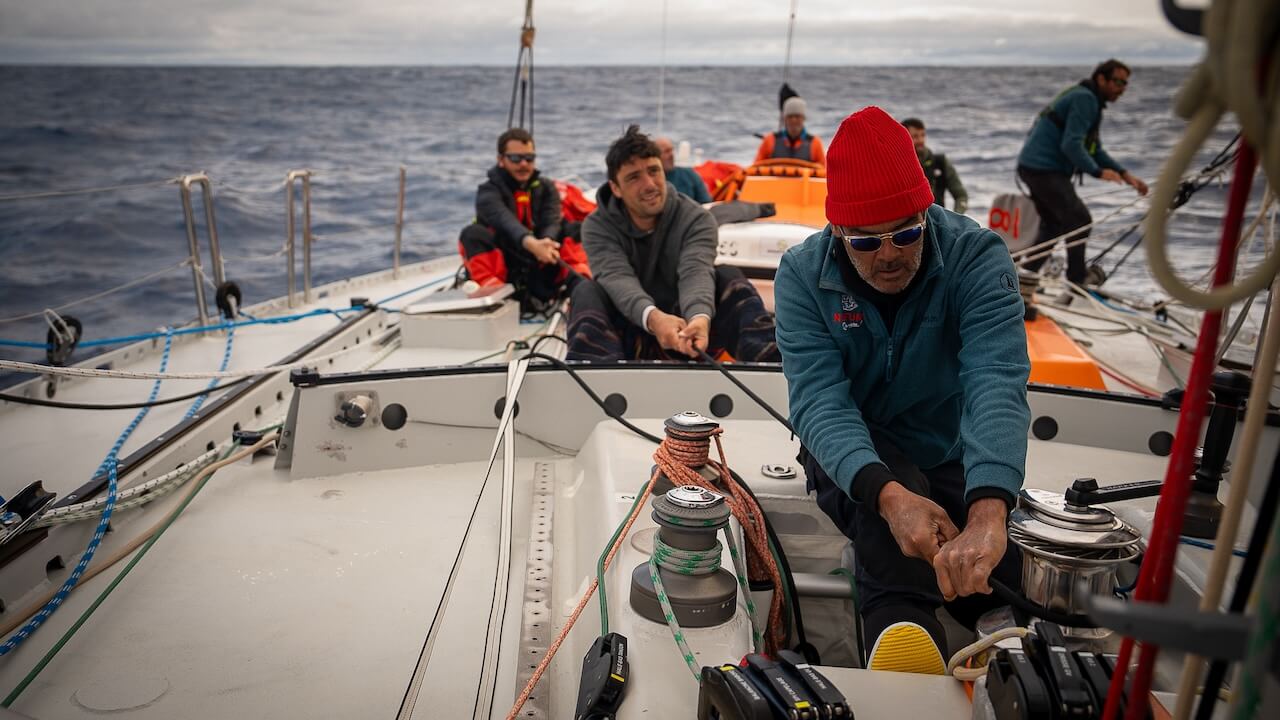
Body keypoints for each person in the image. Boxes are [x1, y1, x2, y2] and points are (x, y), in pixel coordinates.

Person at [774, 106, 1030, 674]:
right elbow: (819, 401)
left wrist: (989, 513)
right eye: (864, 242)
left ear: (927, 212)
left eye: (906, 233)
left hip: (947, 444)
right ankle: (904, 640)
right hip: (853, 450)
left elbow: (995, 378)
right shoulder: (799, 274)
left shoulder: (977, 257)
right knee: (892, 528)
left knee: (1008, 567)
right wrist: (891, 497)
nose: (887, 254)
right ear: (836, 229)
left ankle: (1020, 642)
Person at [566, 125, 780, 363]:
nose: (649, 184)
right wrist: (655, 319)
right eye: (634, 177)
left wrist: (700, 318)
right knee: (585, 289)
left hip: (691, 334)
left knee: (728, 276)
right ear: (615, 188)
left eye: (653, 171)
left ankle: (769, 364)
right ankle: (591, 374)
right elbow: (616, 277)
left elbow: (695, 270)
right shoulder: (597, 226)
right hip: (628, 338)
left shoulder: (696, 218)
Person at [1016, 59, 1148, 285]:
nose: (1122, 89)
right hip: (1043, 170)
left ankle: (1022, 280)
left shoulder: (1089, 99)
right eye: (1117, 82)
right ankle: (1077, 279)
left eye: (1125, 84)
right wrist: (1097, 172)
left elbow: (1094, 149)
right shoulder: (1085, 99)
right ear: (1101, 79)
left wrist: (1124, 173)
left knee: (1055, 226)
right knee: (1079, 219)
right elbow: (1071, 144)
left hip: (1032, 168)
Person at [457, 128, 591, 309]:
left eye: (529, 158)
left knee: (573, 229)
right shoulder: (488, 192)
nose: (523, 164)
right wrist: (533, 245)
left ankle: (582, 290)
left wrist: (547, 243)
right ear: (501, 160)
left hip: (542, 265)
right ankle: (495, 298)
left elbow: (552, 220)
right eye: (515, 158)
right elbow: (504, 220)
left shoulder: (546, 187)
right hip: (508, 266)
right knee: (473, 234)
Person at [901, 118, 968, 215]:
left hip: (938, 224)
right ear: (904, 137)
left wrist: (955, 219)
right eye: (915, 136)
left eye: (923, 135)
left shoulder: (940, 162)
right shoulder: (898, 167)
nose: (921, 140)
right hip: (909, 226)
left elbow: (961, 195)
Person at [754, 96, 826, 167]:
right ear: (784, 119)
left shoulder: (815, 143)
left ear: (803, 118)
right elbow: (755, 169)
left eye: (797, 116)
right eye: (790, 116)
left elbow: (825, 172)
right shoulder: (770, 140)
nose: (793, 120)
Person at [656, 136, 712, 204]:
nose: (671, 155)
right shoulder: (652, 181)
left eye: (672, 150)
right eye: (666, 151)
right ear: (656, 156)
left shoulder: (689, 174)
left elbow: (706, 202)